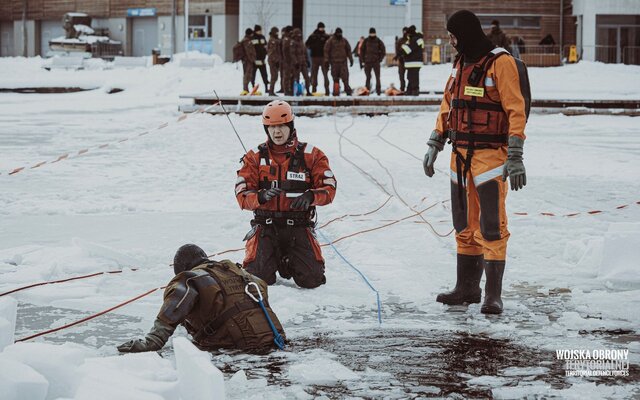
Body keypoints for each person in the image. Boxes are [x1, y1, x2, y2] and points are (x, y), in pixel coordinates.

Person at [423, 10, 530, 314]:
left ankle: (493, 296)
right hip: (460, 157)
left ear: (465, 33)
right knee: (463, 225)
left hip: (491, 158)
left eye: (453, 35)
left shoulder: (501, 63)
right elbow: (449, 104)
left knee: (492, 226)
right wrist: (435, 142)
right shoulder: (460, 63)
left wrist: (516, 155)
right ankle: (466, 288)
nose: (451, 41)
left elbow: (515, 110)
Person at [235, 100, 337, 289]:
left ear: (291, 126)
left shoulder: (312, 155)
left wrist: (311, 196)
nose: (277, 132)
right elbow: (241, 194)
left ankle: (290, 260)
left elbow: (329, 189)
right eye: (272, 127)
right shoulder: (254, 158)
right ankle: (270, 260)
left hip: (298, 226)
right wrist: (260, 197)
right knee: (257, 279)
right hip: (265, 227)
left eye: (282, 126)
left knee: (312, 280)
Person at [117, 244, 285, 353]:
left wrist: (153, 340)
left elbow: (178, 299)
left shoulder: (192, 277)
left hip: (239, 347)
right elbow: (260, 288)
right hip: (275, 340)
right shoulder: (240, 272)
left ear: (183, 268)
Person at [324, 27, 353, 96]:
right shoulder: (331, 41)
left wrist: (351, 59)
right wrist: (326, 61)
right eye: (338, 33)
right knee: (335, 78)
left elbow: (348, 50)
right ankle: (336, 92)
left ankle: (347, 90)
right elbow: (326, 50)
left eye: (340, 33)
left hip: (343, 63)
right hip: (334, 63)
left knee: (345, 77)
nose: (339, 34)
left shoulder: (344, 40)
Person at [306, 22, 330, 95]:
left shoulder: (326, 36)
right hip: (315, 58)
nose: (322, 29)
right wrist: (313, 47)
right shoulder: (313, 36)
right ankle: (313, 90)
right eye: (321, 27)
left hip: (323, 58)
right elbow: (307, 44)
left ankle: (327, 90)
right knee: (314, 75)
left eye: (323, 28)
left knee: (325, 74)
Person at [361, 27, 386, 95]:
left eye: (373, 33)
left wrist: (380, 59)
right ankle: (367, 90)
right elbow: (362, 50)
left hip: (376, 62)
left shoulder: (378, 41)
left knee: (377, 77)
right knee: (368, 77)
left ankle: (378, 91)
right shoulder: (366, 41)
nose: (372, 34)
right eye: (371, 33)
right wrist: (363, 60)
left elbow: (383, 50)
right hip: (368, 62)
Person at [401, 25, 424, 96]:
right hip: (415, 62)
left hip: (413, 62)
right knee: (411, 77)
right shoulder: (418, 39)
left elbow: (409, 50)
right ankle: (410, 91)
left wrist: (403, 46)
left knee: (413, 77)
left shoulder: (415, 39)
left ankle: (414, 91)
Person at [292, 27, 312, 96]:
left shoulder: (302, 42)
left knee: (307, 77)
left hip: (303, 63)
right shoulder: (293, 43)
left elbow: (305, 52)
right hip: (297, 64)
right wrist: (295, 62)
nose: (299, 35)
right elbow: (292, 53)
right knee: (296, 78)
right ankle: (296, 91)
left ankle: (308, 91)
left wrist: (307, 61)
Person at [251, 25, 269, 91]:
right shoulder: (253, 38)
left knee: (264, 74)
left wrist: (265, 53)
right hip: (255, 60)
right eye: (259, 30)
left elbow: (266, 47)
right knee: (253, 75)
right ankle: (253, 87)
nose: (260, 31)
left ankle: (266, 87)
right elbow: (251, 49)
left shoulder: (262, 37)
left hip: (262, 60)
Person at [241, 28, 257, 95]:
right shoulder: (246, 41)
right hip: (247, 61)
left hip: (247, 60)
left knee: (248, 74)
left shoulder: (247, 40)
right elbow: (248, 51)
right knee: (247, 74)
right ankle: (245, 89)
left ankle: (246, 89)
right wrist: (252, 59)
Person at [267, 27, 281, 96]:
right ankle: (271, 91)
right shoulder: (272, 41)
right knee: (274, 76)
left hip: (275, 61)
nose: (278, 34)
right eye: (276, 32)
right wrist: (276, 61)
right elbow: (272, 52)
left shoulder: (275, 40)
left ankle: (271, 90)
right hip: (273, 61)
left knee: (275, 76)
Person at [281, 26, 294, 96]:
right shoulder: (286, 39)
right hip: (287, 61)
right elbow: (285, 51)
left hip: (291, 61)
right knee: (286, 76)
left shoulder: (290, 39)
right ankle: (286, 91)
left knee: (291, 76)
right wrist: (287, 60)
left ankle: (290, 90)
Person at [394, 27, 409, 92]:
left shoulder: (409, 40)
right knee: (401, 75)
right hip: (402, 60)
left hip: (408, 61)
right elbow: (397, 50)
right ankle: (402, 88)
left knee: (408, 76)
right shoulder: (400, 40)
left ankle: (407, 88)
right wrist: (397, 56)